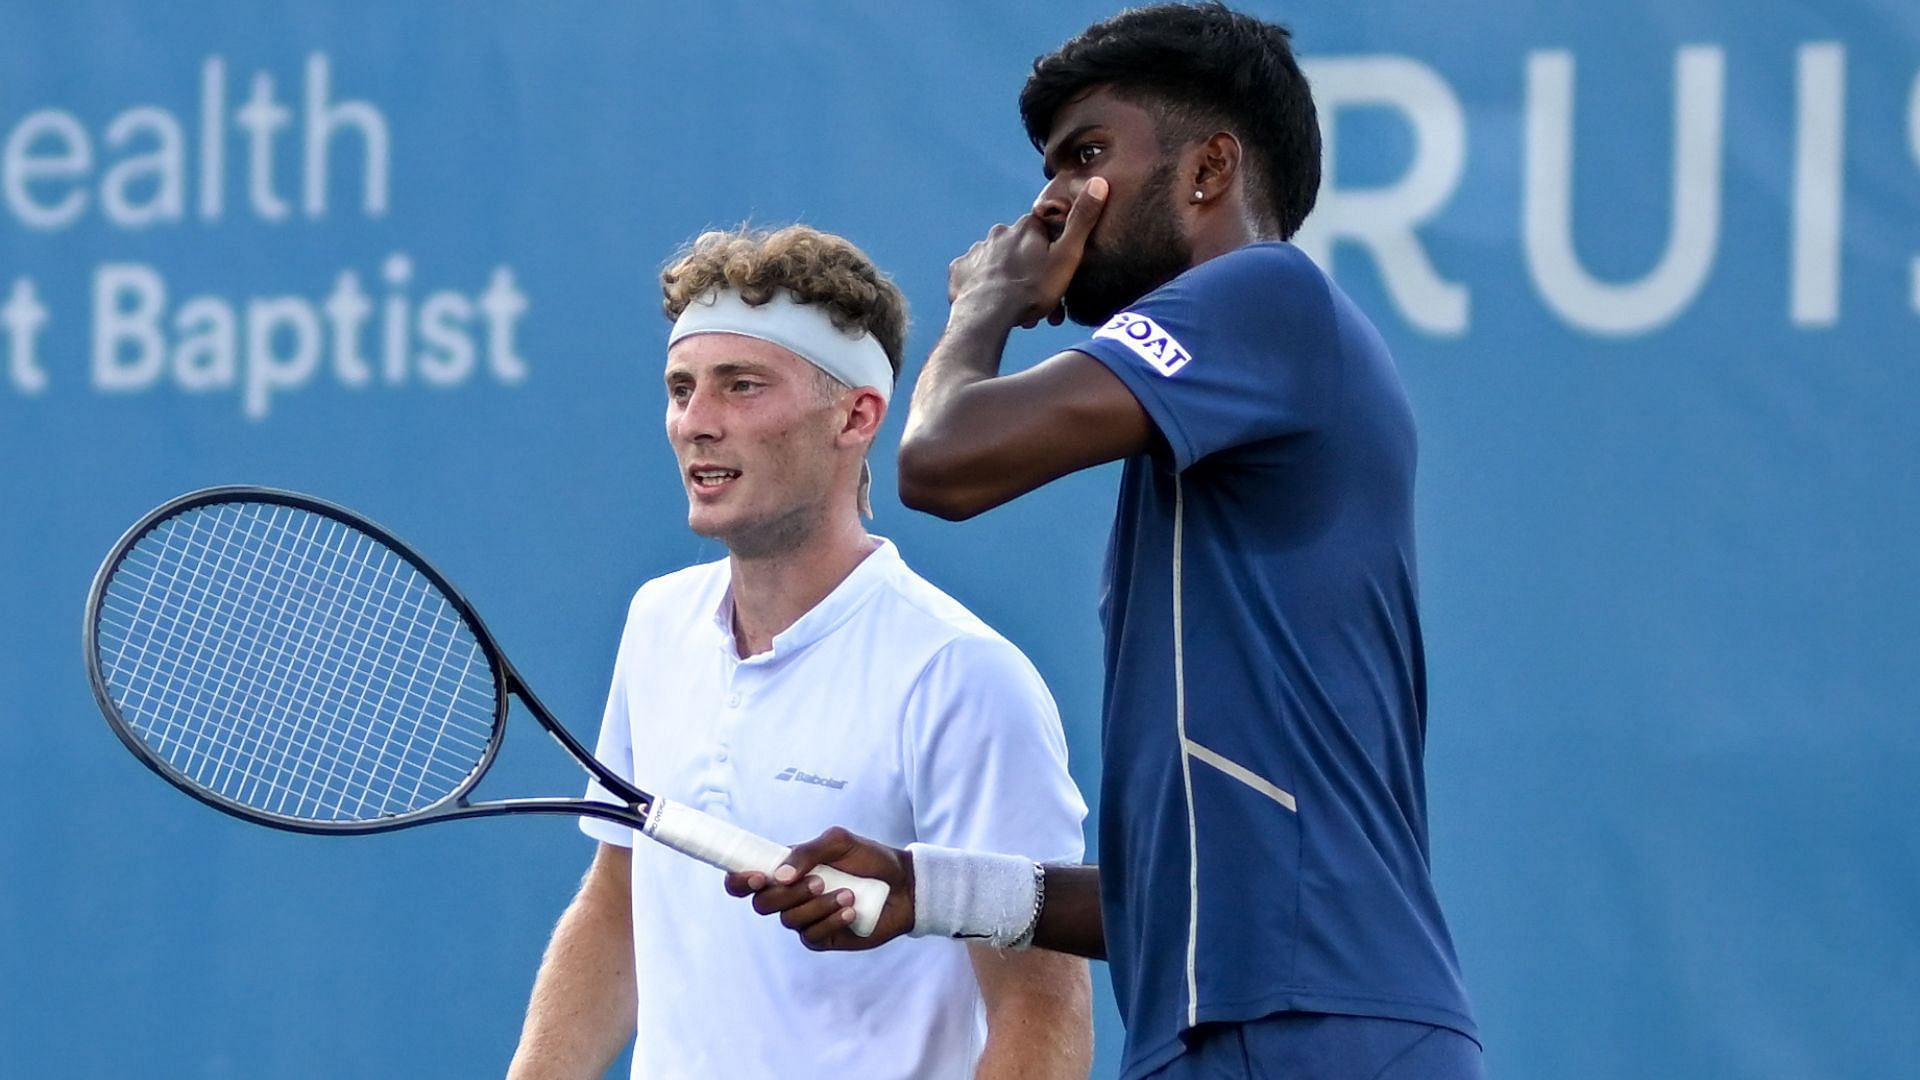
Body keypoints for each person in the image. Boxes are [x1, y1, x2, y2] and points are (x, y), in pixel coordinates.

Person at [724, 6, 1483, 1079]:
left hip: (1322, 1026)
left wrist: (984, 307)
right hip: (1217, 1031)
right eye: (1047, 168)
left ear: (1210, 169)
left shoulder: (1268, 293)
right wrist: (924, 889)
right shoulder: (1202, 436)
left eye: (1087, 155)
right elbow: (1169, 896)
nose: (1050, 201)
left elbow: (939, 460)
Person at [506, 224, 1092, 1080]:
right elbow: (619, 906)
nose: (696, 424)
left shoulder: (962, 675)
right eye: (681, 388)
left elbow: (1039, 1000)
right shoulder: (656, 623)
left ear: (856, 416)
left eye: (742, 387)